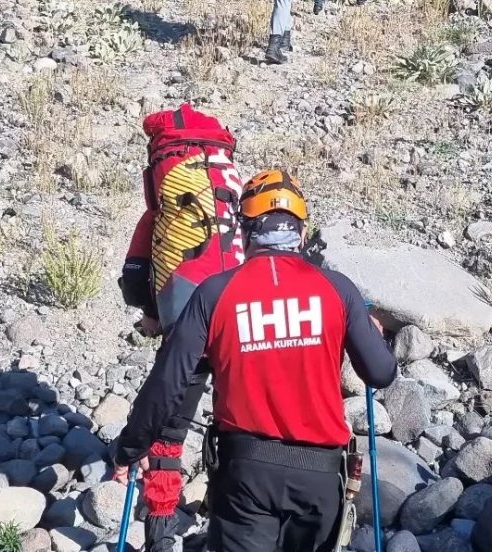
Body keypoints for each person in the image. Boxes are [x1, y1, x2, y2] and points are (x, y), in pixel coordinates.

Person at [114, 169, 397, 552]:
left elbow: (169, 382)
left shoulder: (214, 293)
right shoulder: (337, 289)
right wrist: (370, 332)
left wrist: (130, 449)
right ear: (300, 232)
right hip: (320, 477)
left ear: (245, 232)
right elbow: (380, 373)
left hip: (244, 473)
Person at [119, 105, 247, 552]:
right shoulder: (228, 186)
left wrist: (149, 311)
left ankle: (159, 527)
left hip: (187, 314)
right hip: (238, 313)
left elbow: (137, 268)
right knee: (240, 420)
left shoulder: (165, 194)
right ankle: (229, 513)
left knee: (169, 428)